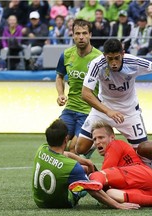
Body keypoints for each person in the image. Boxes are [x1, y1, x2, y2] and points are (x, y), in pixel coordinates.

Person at [75, 38, 152, 167]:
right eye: (110, 58)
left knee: (144, 152)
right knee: (80, 148)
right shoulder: (96, 64)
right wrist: (108, 111)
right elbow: (85, 94)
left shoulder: (134, 62)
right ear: (104, 56)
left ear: (123, 54)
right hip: (104, 109)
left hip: (129, 112)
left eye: (117, 58)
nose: (113, 63)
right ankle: (94, 146)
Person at [69, 121, 152, 208]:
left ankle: (91, 182)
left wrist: (91, 175)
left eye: (101, 137)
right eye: (94, 139)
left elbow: (104, 176)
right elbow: (108, 187)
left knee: (95, 177)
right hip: (149, 188)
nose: (97, 142)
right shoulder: (114, 148)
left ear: (112, 138)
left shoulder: (115, 145)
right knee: (112, 194)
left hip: (139, 172)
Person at [55, 19, 102, 154]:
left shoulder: (99, 58)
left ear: (90, 35)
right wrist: (60, 94)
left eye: (84, 33)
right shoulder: (66, 55)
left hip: (89, 111)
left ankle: (89, 147)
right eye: (77, 33)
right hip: (70, 108)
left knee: (74, 148)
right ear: (73, 35)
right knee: (56, 142)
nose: (81, 37)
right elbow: (59, 77)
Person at [32, 119, 95, 208]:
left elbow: (65, 154)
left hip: (39, 202)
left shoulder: (41, 149)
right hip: (62, 204)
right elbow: (94, 191)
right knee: (84, 177)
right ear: (66, 139)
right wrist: (118, 205)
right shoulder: (72, 166)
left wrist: (85, 161)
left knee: (83, 169)